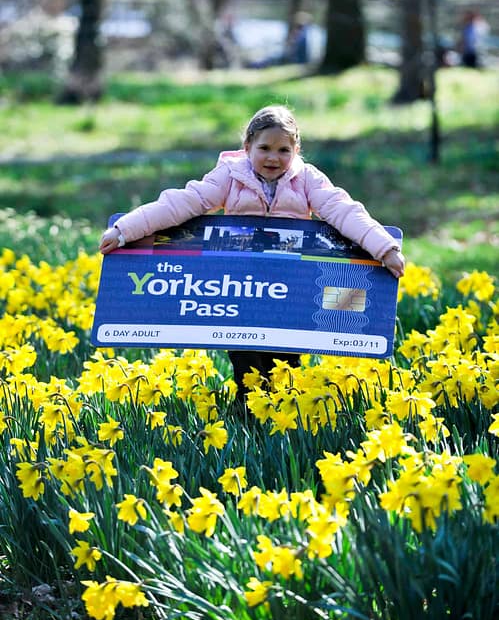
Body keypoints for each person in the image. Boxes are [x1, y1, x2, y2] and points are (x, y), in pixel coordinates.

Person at [100, 105, 405, 404]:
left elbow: (343, 210)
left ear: (296, 150)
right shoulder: (229, 177)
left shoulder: (308, 180)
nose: (273, 157)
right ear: (247, 146)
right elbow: (182, 202)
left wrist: (385, 248)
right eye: (265, 148)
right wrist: (124, 230)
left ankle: (283, 425)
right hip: (241, 290)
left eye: (283, 150)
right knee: (246, 367)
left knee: (285, 366)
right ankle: (248, 417)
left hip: (290, 289)